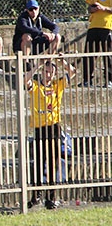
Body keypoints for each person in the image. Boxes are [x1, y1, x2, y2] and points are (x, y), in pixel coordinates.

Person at [25, 56, 76, 210]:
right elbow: (24, 80)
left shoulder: (57, 85)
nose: (48, 75)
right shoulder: (35, 86)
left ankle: (51, 197)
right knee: (39, 163)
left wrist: (62, 62)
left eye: (51, 73)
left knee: (53, 163)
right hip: (40, 127)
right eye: (46, 72)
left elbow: (72, 72)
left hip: (54, 127)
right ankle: (36, 195)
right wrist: (37, 66)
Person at [83, 0, 112, 87]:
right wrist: (92, 9)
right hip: (94, 25)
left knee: (108, 54)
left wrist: (104, 8)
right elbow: (88, 8)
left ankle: (109, 80)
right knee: (89, 53)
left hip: (107, 25)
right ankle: (87, 79)